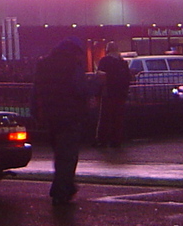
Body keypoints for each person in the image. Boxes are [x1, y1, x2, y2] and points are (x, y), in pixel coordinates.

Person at [33, 38, 92, 207]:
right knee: (67, 156)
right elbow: (81, 89)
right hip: (70, 116)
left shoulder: (43, 65)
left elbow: (35, 91)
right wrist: (96, 83)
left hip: (50, 116)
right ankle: (61, 190)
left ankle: (65, 186)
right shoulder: (73, 66)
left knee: (59, 154)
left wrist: (36, 114)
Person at [93, 45, 131, 148]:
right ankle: (116, 140)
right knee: (118, 118)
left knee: (105, 117)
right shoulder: (122, 62)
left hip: (108, 92)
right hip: (120, 94)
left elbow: (100, 76)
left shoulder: (104, 61)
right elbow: (128, 78)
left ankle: (102, 140)